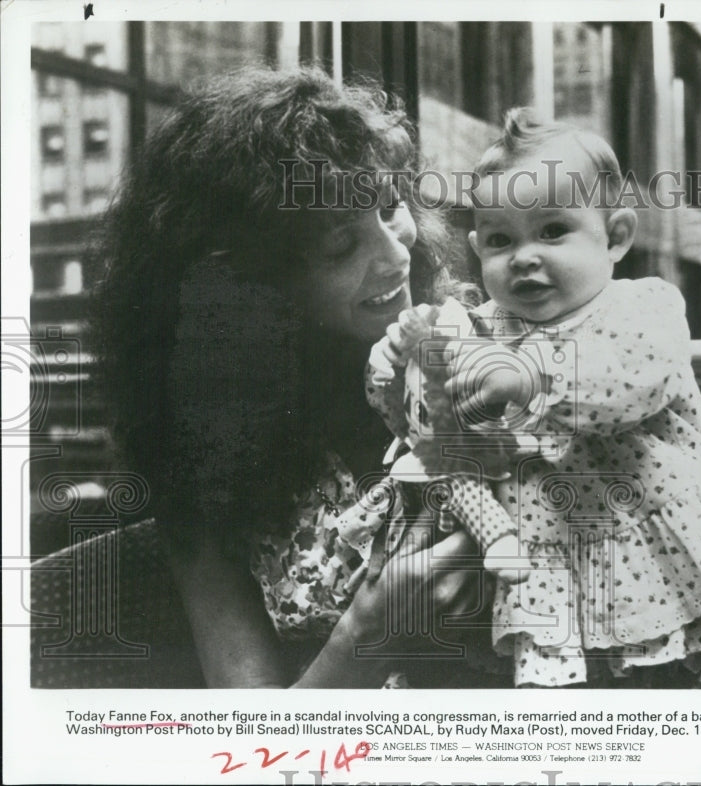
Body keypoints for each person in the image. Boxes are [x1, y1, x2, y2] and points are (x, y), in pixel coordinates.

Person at [367, 109, 701, 688]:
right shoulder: (484, 325)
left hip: (636, 535)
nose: (525, 257)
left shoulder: (641, 308)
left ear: (615, 237)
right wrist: (396, 365)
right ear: (478, 248)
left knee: (650, 673)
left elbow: (631, 382)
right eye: (502, 241)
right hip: (538, 556)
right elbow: (427, 422)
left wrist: (529, 376)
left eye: (553, 231)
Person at [91, 66, 496, 688]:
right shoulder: (198, 467)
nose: (395, 254)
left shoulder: (479, 349)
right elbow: (250, 733)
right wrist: (367, 640)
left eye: (390, 207)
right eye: (340, 247)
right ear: (250, 291)